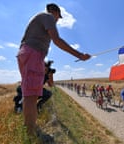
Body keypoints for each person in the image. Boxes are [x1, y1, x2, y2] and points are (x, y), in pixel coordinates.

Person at [17, 3, 91, 136]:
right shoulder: (48, 17)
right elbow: (56, 40)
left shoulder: (39, 19)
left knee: (29, 95)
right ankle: (30, 134)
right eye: (58, 16)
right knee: (31, 97)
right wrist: (79, 55)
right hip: (34, 53)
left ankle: (30, 131)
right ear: (54, 11)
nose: (57, 20)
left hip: (28, 53)